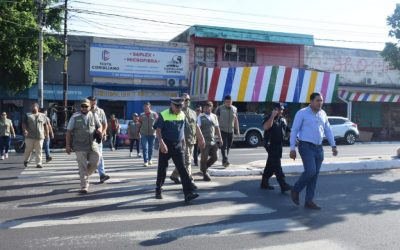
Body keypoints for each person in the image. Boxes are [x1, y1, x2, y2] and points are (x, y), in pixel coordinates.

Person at [289, 92, 338, 210]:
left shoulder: (323, 114)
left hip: (319, 148)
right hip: (306, 146)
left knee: (314, 175)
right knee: (310, 171)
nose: (320, 103)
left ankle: (309, 201)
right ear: (311, 101)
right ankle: (295, 190)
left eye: (321, 100)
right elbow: (294, 130)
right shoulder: (302, 113)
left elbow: (328, 130)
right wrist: (292, 148)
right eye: (317, 100)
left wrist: (333, 145)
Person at [154, 97, 199, 202]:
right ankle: (158, 189)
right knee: (162, 169)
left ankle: (188, 193)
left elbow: (182, 130)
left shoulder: (182, 115)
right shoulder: (163, 114)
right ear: (171, 105)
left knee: (182, 169)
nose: (179, 108)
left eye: (181, 106)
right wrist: (161, 143)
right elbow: (158, 130)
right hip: (166, 144)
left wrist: (183, 142)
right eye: (177, 106)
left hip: (178, 145)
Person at [66, 99, 102, 194]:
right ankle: (84, 186)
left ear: (90, 107)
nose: (84, 108)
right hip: (79, 145)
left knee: (96, 160)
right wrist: (67, 146)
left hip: (92, 144)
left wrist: (99, 130)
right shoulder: (74, 117)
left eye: (86, 106)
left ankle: (85, 174)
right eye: (82, 106)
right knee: (82, 166)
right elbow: (69, 131)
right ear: (80, 107)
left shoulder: (94, 115)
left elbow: (99, 126)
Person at [170, 94, 205, 185]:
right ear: (181, 101)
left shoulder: (193, 112)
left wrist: (201, 137)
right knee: (187, 161)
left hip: (191, 140)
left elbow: (196, 126)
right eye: (185, 100)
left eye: (188, 100)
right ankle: (189, 180)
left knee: (185, 161)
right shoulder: (178, 112)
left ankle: (174, 175)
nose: (187, 101)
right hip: (182, 141)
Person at [260, 103, 292, 193]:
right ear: (275, 110)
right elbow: (266, 127)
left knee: (271, 164)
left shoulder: (282, 119)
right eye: (279, 109)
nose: (281, 111)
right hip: (271, 144)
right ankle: (283, 184)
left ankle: (264, 182)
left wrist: (291, 137)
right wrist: (272, 116)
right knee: (277, 165)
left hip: (279, 145)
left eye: (282, 109)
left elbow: (288, 129)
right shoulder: (269, 118)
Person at [198, 101, 223, 181]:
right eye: (205, 108)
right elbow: (197, 129)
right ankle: (205, 173)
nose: (206, 109)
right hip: (204, 141)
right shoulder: (200, 117)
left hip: (213, 140)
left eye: (208, 107)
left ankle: (204, 168)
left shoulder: (214, 116)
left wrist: (220, 138)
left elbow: (217, 128)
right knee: (204, 158)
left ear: (211, 108)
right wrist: (199, 140)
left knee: (216, 157)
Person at [88, 96, 110, 183]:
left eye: (94, 101)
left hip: (97, 137)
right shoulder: (85, 110)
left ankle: (102, 174)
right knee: (87, 156)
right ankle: (88, 171)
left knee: (100, 155)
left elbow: (105, 124)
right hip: (87, 137)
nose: (93, 103)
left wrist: (103, 133)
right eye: (91, 101)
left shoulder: (100, 111)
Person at [215, 95, 239, 168]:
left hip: (230, 131)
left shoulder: (234, 109)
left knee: (228, 146)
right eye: (227, 102)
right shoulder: (219, 108)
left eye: (230, 102)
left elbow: (235, 120)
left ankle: (224, 161)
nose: (228, 103)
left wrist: (237, 130)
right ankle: (226, 160)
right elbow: (216, 119)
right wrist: (216, 130)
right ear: (224, 102)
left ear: (232, 102)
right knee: (224, 146)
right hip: (222, 130)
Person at [22, 103, 48, 168]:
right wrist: (25, 130)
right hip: (29, 136)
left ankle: (39, 163)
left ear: (37, 108)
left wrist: (47, 134)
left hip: (39, 136)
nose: (33, 107)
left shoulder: (43, 115)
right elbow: (23, 123)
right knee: (28, 149)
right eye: (32, 106)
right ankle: (26, 160)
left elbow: (45, 125)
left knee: (39, 150)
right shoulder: (28, 115)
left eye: (34, 106)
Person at [138, 102, 158, 167]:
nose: (146, 109)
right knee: (144, 148)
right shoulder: (141, 115)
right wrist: (138, 132)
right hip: (144, 133)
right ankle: (145, 161)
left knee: (151, 148)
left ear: (150, 107)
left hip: (152, 134)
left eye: (147, 107)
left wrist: (158, 132)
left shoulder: (154, 114)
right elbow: (139, 124)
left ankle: (150, 159)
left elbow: (158, 123)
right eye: (145, 108)